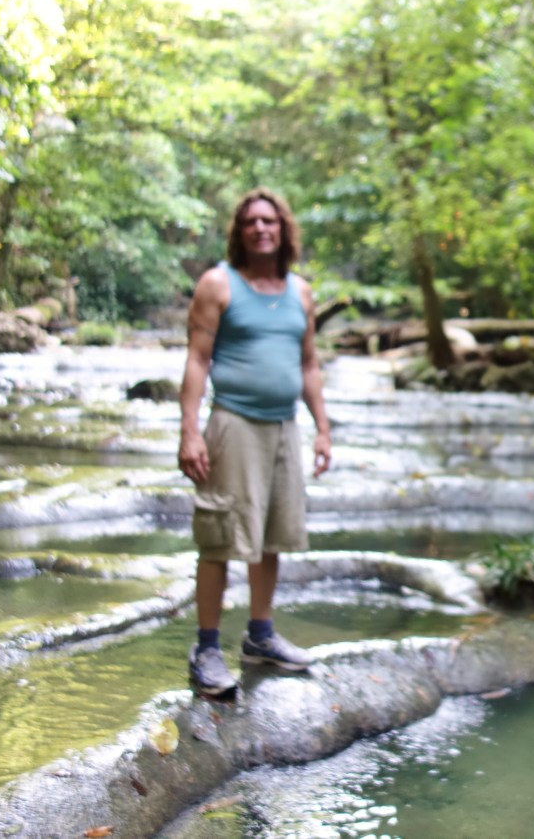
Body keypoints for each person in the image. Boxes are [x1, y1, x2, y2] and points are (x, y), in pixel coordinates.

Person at [178, 187, 332, 698]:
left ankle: (260, 637)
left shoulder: (301, 292)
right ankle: (206, 649)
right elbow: (198, 361)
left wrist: (323, 429)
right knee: (221, 538)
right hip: (234, 425)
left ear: (283, 230)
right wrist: (190, 430)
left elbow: (309, 365)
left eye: (270, 221)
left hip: (285, 427)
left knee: (272, 537)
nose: (261, 229)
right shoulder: (218, 285)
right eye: (251, 222)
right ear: (240, 232)